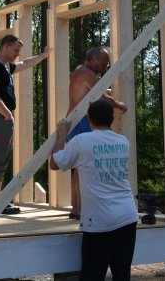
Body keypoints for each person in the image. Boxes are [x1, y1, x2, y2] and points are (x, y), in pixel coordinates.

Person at [49, 100, 138, 280]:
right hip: (128, 217)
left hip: (99, 221)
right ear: (112, 118)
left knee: (92, 275)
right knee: (122, 274)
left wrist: (62, 134)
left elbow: (55, 163)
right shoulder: (123, 141)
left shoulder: (82, 141)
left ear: (89, 119)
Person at [0, 35, 50, 214]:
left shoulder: (5, 67)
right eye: (15, 50)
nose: (17, 55)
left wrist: (43, 56)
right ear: (5, 47)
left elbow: (24, 64)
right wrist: (7, 114)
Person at [67, 47, 127, 219]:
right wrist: (120, 105)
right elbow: (101, 97)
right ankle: (79, 209)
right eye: (102, 63)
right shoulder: (87, 73)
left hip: (75, 121)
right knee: (83, 167)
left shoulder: (80, 71)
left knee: (78, 167)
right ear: (92, 59)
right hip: (80, 121)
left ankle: (76, 208)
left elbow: (89, 93)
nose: (104, 67)